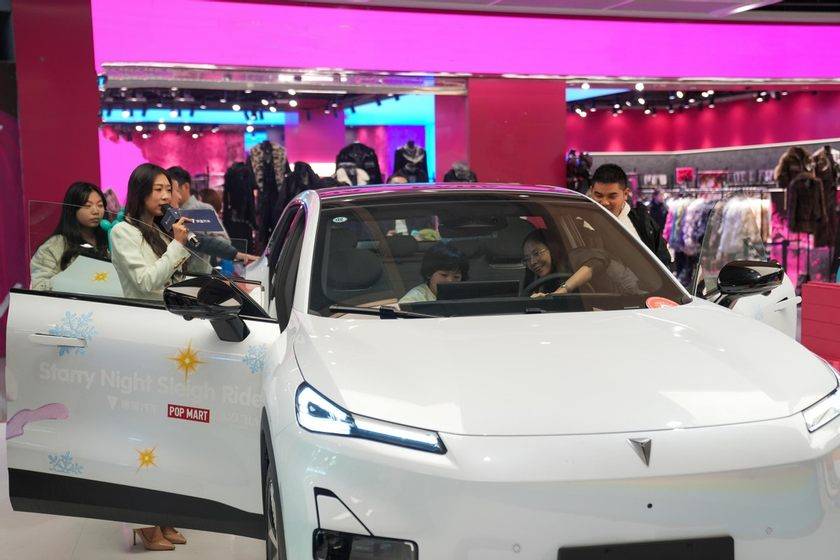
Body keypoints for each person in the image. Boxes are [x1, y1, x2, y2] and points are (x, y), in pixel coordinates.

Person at [110, 163, 192, 301]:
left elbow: (174, 278)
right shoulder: (122, 231)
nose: (166, 196)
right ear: (140, 193)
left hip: (171, 308)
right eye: (158, 189)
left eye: (168, 190)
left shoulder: (160, 230)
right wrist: (177, 244)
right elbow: (145, 282)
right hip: (145, 310)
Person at [30, 182, 110, 291]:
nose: (96, 211)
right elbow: (38, 287)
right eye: (87, 206)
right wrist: (73, 277)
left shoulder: (110, 240)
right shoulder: (53, 246)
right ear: (72, 209)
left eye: (100, 205)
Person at [589, 163, 671, 267]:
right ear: (591, 191)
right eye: (598, 195)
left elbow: (663, 263)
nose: (604, 202)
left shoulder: (643, 223)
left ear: (626, 194)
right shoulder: (579, 222)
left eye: (612, 196)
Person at [521, 229, 641, 297]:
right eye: (527, 259)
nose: (533, 262)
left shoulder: (574, 257)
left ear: (552, 248)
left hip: (627, 302)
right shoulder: (538, 281)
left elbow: (599, 260)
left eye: (536, 253)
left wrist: (561, 292)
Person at [399, 242, 469, 303]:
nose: (450, 281)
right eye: (444, 275)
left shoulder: (465, 295)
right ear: (429, 274)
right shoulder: (412, 300)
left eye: (456, 277)